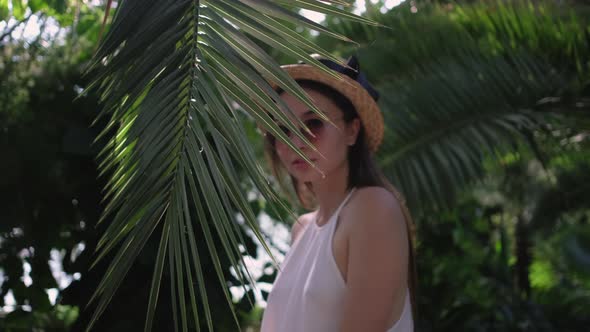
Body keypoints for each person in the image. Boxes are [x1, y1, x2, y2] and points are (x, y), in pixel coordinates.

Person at [258, 55, 416, 332]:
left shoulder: (373, 209)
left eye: (313, 124)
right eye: (282, 129)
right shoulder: (301, 228)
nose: (295, 142)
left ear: (352, 130)